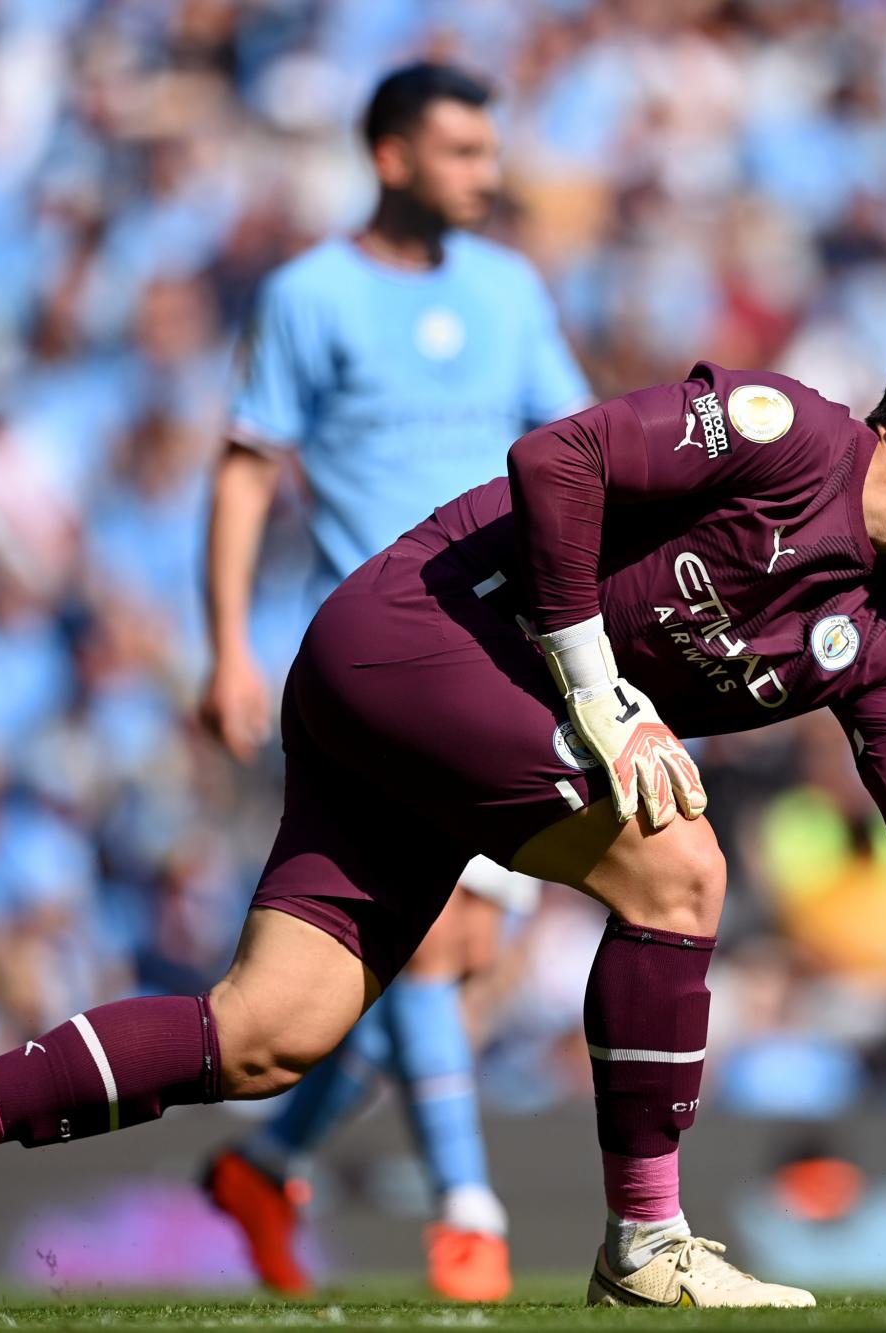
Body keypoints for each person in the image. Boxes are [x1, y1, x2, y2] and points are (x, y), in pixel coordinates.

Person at [0, 333, 886, 1313]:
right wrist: (603, 692)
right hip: (410, 640)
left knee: (269, 1032)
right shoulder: (787, 433)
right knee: (679, 858)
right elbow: (558, 461)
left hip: (451, 729)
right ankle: (647, 1241)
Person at [200, 62, 587, 1301]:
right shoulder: (307, 297)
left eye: (489, 150)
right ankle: (468, 1213)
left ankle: (267, 1166)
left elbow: (571, 460)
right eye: (463, 152)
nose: (487, 174)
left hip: (511, 660)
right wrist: (224, 646)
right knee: (428, 949)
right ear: (391, 158)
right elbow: (245, 469)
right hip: (383, 666)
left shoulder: (509, 290)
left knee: (433, 978)